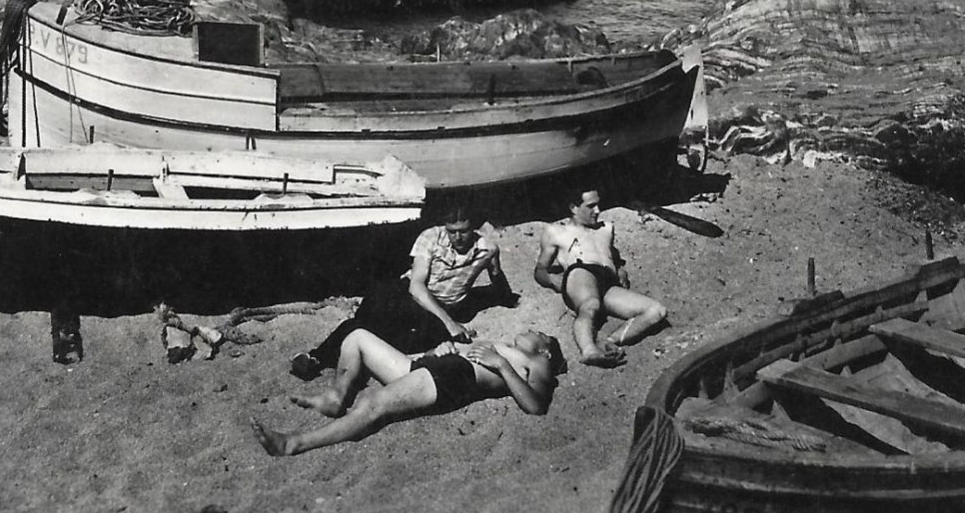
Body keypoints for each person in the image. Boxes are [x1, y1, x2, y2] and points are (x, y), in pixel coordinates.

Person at [253, 327, 563, 457]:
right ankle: (336, 397)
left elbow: (535, 406)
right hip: (438, 366)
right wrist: (449, 348)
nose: (530, 330)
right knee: (357, 336)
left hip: (456, 378)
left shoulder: (538, 366)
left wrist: (502, 366)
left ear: (546, 351)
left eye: (538, 333)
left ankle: (294, 443)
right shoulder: (514, 349)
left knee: (373, 403)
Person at [289, 202, 514, 380]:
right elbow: (416, 286)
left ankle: (316, 358)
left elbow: (496, 277)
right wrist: (450, 323)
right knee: (379, 293)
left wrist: (505, 296)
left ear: (473, 227)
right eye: (452, 231)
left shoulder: (488, 249)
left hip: (438, 306)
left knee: (372, 329)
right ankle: (326, 353)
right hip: (411, 293)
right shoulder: (431, 237)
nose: (456, 238)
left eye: (463, 231)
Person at [534, 187, 668, 368]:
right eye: (591, 206)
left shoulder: (606, 229)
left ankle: (609, 340)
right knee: (590, 305)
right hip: (581, 272)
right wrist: (554, 281)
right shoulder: (556, 232)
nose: (597, 211)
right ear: (573, 207)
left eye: (598, 205)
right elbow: (540, 269)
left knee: (656, 310)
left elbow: (611, 256)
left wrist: (619, 269)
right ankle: (589, 351)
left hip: (607, 282)